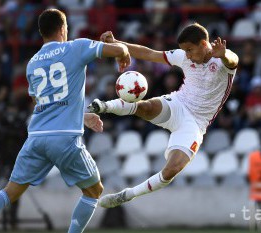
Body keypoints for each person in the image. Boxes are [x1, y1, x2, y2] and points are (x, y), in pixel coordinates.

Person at [0, 8, 131, 233]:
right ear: (64, 28)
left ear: (41, 32)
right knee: (94, 191)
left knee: (9, 192)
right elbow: (119, 49)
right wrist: (122, 51)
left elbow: (44, 103)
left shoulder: (32, 63)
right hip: (64, 139)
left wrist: (81, 117)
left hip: (36, 138)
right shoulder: (76, 47)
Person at [88, 23, 239, 208]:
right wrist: (116, 44)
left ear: (203, 43)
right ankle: (102, 106)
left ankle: (127, 195)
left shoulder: (221, 60)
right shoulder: (183, 56)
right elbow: (150, 54)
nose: (188, 56)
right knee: (146, 107)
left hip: (195, 124)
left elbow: (233, 60)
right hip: (178, 104)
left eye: (190, 50)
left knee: (171, 171)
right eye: (185, 51)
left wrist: (223, 54)